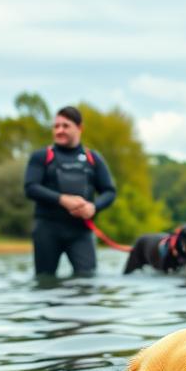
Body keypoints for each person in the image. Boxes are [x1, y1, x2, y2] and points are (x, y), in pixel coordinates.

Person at [24, 106, 117, 277]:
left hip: (80, 231)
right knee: (45, 280)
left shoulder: (93, 158)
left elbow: (110, 191)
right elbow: (30, 188)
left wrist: (94, 207)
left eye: (65, 126)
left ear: (79, 128)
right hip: (47, 229)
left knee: (87, 280)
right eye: (56, 126)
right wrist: (62, 199)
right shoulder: (41, 157)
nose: (59, 130)